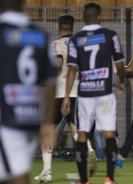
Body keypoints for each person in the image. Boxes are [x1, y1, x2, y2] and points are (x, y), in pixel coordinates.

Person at [61, 3, 133, 184]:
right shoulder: (110, 36)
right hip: (104, 93)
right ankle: (109, 178)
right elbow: (119, 66)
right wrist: (119, 82)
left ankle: (84, 180)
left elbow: (71, 69)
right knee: (109, 134)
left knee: (83, 134)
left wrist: (65, 97)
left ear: (82, 17)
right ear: (100, 17)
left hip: (85, 94)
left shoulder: (76, 39)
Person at [34, 14, 96, 183]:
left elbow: (58, 63)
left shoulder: (56, 44)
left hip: (60, 94)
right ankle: (89, 149)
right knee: (75, 130)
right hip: (78, 93)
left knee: (48, 131)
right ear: (73, 27)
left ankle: (47, 171)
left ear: (58, 27)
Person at [0, 0, 57, 183]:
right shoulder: (40, 35)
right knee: (17, 171)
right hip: (30, 118)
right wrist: (48, 123)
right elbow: (51, 81)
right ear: (23, 4)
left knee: (16, 177)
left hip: (6, 118)